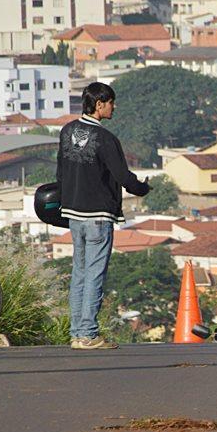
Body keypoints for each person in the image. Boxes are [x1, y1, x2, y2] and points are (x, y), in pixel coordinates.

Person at [57, 82, 149, 351]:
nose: (113, 106)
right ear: (99, 105)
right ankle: (87, 334)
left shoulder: (67, 131)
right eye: (110, 102)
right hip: (98, 215)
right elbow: (123, 177)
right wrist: (142, 188)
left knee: (80, 273)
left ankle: (76, 333)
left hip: (73, 213)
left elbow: (61, 172)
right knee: (95, 274)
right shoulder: (106, 139)